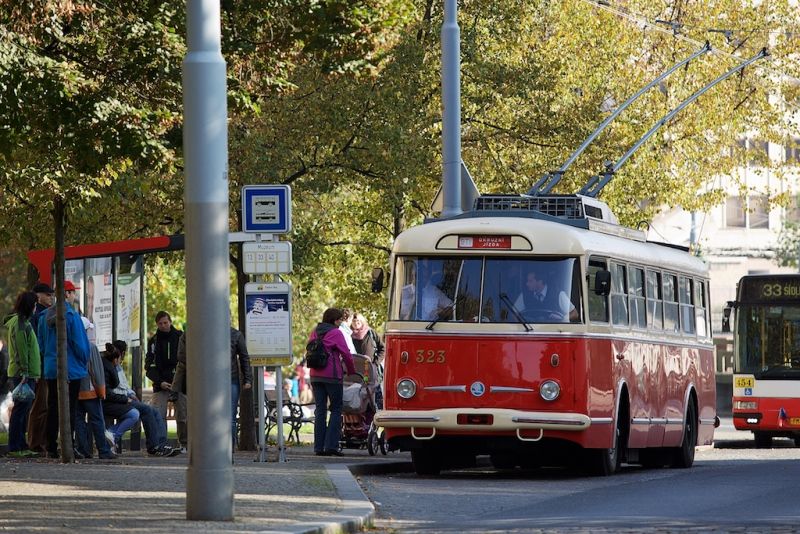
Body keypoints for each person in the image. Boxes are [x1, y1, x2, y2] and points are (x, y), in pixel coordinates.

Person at [38, 280, 90, 459]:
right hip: (72, 368)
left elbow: (42, 345)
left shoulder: (44, 316)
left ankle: (51, 446)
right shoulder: (71, 315)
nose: (74, 295)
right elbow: (79, 344)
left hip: (52, 368)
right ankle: (69, 445)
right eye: (73, 292)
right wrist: (84, 361)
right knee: (70, 409)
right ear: (67, 294)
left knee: (53, 406)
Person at [104, 341, 180, 457]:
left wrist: (131, 393)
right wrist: (128, 397)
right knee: (147, 410)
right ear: (122, 353)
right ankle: (154, 446)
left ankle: (161, 443)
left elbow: (123, 385)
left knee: (154, 411)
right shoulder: (112, 366)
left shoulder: (117, 366)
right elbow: (116, 388)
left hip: (125, 397)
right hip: (119, 400)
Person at [308, 308, 357, 457]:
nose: (341, 322)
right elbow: (347, 354)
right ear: (335, 320)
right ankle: (331, 446)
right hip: (332, 376)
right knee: (336, 409)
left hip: (315, 375)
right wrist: (351, 371)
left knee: (320, 410)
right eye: (340, 320)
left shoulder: (315, 331)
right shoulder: (336, 333)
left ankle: (319, 447)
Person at [4, 291, 41, 457]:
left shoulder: (21, 323)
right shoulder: (21, 325)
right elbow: (22, 350)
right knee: (20, 411)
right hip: (22, 375)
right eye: (34, 305)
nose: (35, 308)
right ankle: (16, 447)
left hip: (24, 373)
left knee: (22, 411)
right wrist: (26, 372)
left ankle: (21, 445)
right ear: (29, 306)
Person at [74, 318, 116, 460]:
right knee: (97, 420)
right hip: (90, 390)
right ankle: (103, 450)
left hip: (75, 389)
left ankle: (83, 450)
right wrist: (101, 390)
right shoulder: (91, 347)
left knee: (78, 419)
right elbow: (97, 371)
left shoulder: (70, 345)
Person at [144, 311, 186, 450]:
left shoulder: (180, 337)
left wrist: (177, 382)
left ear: (170, 322)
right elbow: (149, 367)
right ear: (157, 324)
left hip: (179, 384)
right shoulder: (154, 341)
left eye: (165, 323)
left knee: (182, 416)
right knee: (158, 416)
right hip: (160, 385)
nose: (163, 326)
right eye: (160, 323)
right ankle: (161, 445)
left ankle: (184, 444)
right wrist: (159, 381)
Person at [27, 282, 54, 455]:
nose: (51, 298)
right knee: (40, 406)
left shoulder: (40, 313)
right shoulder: (37, 315)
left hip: (43, 365)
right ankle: (36, 443)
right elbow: (37, 343)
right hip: (41, 365)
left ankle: (39, 442)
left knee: (42, 405)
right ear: (39, 296)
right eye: (48, 295)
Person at [513, 269, 578, 322]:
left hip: (554, 332)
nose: (527, 284)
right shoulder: (524, 295)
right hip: (530, 332)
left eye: (530, 281)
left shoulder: (558, 294)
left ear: (540, 281)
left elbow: (574, 313)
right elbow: (514, 313)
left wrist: (563, 319)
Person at [351, 313, 385, 408]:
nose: (356, 323)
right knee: (360, 396)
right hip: (357, 372)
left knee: (375, 395)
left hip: (371, 370)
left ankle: (377, 418)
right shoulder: (349, 335)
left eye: (358, 321)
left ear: (362, 321)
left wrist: (375, 363)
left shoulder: (371, 333)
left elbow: (382, 348)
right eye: (354, 321)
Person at [229, 324, 252, 450]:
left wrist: (247, 379)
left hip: (231, 379)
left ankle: (230, 449)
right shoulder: (209, 332)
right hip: (212, 381)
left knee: (230, 417)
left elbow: (244, 357)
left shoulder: (236, 334)